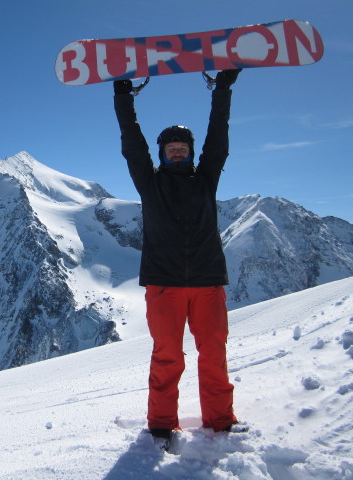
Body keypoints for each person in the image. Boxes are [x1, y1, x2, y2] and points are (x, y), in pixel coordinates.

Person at [113, 69, 246, 451]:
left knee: (214, 354)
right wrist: (125, 98)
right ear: (162, 152)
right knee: (167, 356)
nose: (176, 148)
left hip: (206, 281)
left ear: (189, 150)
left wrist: (221, 90)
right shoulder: (149, 183)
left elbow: (218, 142)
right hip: (164, 283)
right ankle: (160, 424)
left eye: (182, 144)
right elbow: (132, 145)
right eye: (170, 145)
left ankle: (221, 421)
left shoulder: (205, 179)